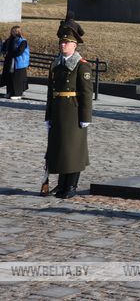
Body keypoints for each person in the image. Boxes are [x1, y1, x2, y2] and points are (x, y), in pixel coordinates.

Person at [44, 27, 93, 199]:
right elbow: (51, 93)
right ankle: (61, 184)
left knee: (73, 150)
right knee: (59, 149)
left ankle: (71, 185)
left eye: (67, 42)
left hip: (73, 112)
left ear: (75, 45)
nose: (63, 45)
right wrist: (48, 115)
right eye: (61, 42)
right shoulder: (56, 64)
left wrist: (85, 117)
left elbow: (87, 93)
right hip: (58, 111)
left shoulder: (82, 66)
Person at [1, 26, 30, 99]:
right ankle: (9, 92)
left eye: (15, 31)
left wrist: (9, 54)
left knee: (16, 78)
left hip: (18, 62)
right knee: (9, 77)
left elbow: (19, 52)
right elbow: (4, 48)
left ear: (19, 32)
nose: (13, 32)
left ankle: (17, 94)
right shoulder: (9, 40)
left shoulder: (22, 41)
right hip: (9, 61)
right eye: (12, 31)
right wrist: (4, 52)